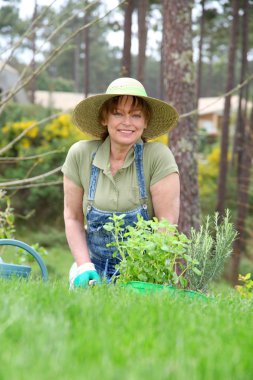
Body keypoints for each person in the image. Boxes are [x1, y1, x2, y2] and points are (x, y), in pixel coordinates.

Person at [62, 77, 180, 288]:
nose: (127, 122)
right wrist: (84, 266)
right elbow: (72, 217)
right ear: (104, 117)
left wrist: (146, 275)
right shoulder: (80, 154)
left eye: (136, 115)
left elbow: (167, 225)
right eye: (118, 113)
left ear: (145, 122)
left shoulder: (158, 157)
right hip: (93, 268)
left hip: (143, 272)